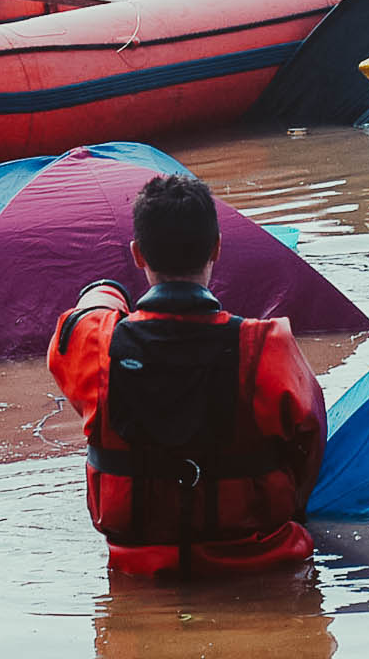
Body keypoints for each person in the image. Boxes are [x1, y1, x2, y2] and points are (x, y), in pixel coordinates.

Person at [47, 174, 327, 577]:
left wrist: (107, 290)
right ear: (216, 248)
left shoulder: (96, 344)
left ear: (138, 254)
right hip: (264, 569)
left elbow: (80, 321)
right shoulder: (267, 345)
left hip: (139, 576)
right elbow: (311, 441)